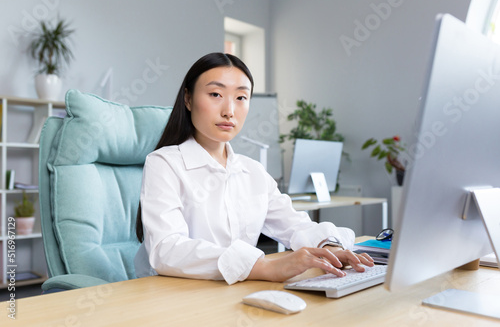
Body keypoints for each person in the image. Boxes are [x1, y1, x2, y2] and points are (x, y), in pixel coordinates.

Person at [134, 52, 374, 285]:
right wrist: (262, 267)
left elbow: (295, 224)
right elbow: (166, 250)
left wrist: (328, 247)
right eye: (215, 94)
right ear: (188, 98)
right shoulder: (164, 163)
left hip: (234, 292)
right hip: (172, 295)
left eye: (241, 98)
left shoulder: (253, 172)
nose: (229, 110)